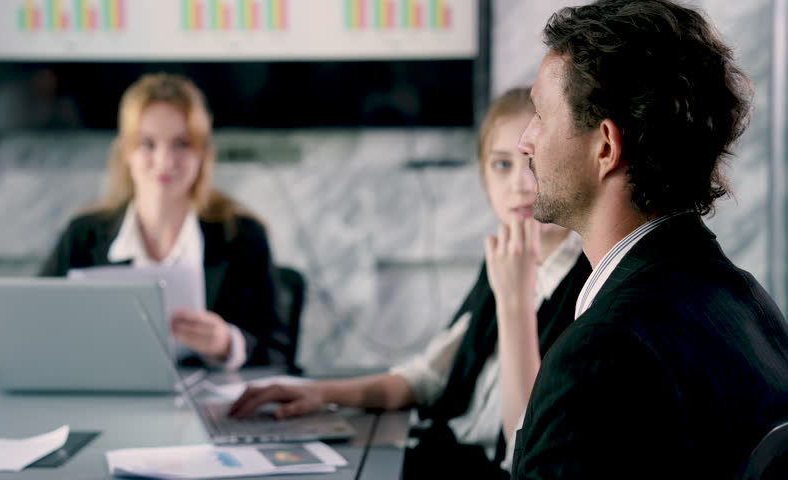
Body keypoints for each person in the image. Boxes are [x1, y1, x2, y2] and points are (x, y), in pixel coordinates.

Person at [230, 87, 592, 479]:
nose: (519, 184)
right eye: (501, 165)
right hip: (440, 451)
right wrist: (322, 393)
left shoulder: (589, 289)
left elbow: (526, 452)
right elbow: (427, 377)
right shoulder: (501, 263)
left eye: (531, 161)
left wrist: (515, 304)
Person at [512, 1, 788, 479]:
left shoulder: (599, 355)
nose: (525, 141)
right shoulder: (747, 302)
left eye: (540, 115)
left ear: (605, 146)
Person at [40, 73, 290, 370]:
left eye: (182, 144)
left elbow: (279, 353)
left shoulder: (243, 237)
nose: (164, 160)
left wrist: (227, 344)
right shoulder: (83, 235)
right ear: (126, 154)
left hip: (206, 410)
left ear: (202, 154)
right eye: (147, 143)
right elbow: (35, 330)